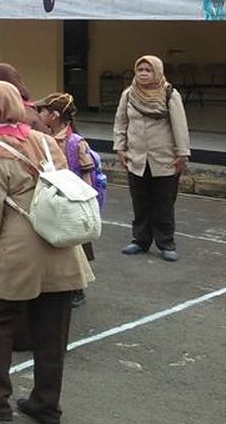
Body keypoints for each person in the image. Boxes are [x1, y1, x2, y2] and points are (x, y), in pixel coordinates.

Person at [0, 80, 92, 424]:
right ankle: (46, 404)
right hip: (59, 245)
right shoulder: (45, 140)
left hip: (17, 250)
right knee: (52, 332)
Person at [115, 55, 191, 262]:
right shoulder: (129, 95)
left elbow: (179, 125)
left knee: (164, 203)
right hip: (136, 157)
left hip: (164, 158)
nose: (143, 74)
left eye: (148, 70)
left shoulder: (169, 94)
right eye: (140, 70)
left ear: (157, 72)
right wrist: (120, 148)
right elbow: (121, 122)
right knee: (140, 201)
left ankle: (166, 242)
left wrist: (182, 153)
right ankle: (140, 240)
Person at [35, 91, 102, 303]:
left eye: (42, 111)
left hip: (72, 199)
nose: (39, 114)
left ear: (54, 115)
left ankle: (78, 287)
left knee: (76, 245)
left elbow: (86, 175)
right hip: (56, 197)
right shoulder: (46, 139)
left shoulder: (75, 143)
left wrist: (83, 201)